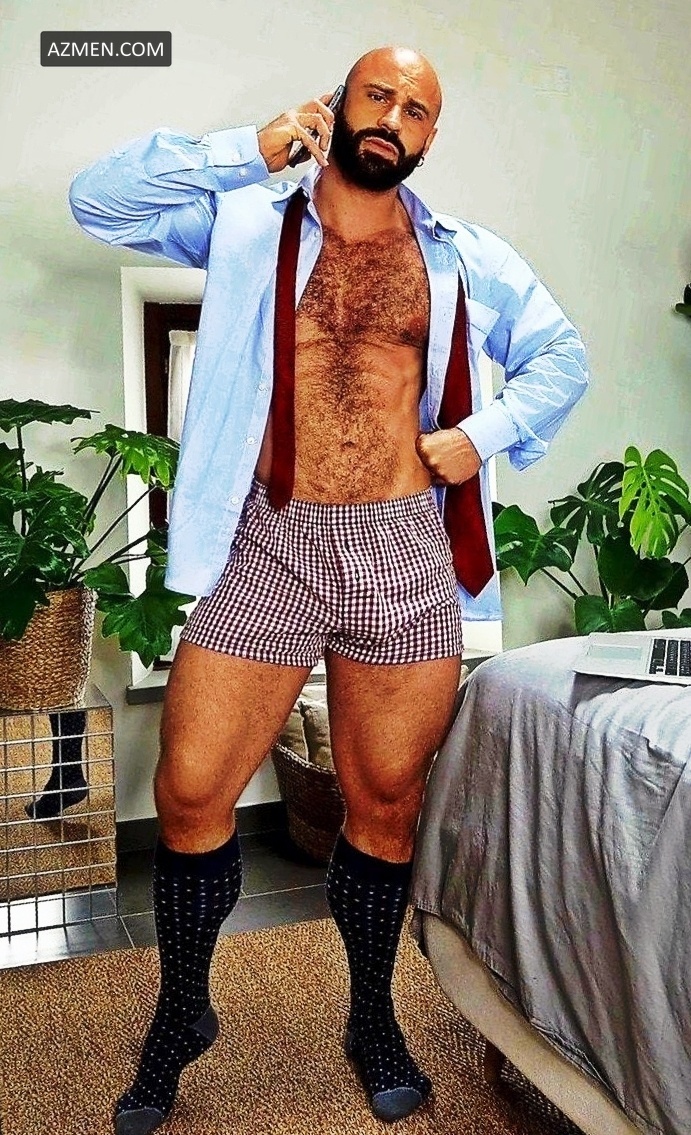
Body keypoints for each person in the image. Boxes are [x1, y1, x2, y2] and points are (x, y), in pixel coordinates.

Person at [69, 45, 588, 1134]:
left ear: (429, 137)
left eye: (418, 109)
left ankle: (370, 1014)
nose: (394, 117)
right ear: (338, 106)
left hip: (403, 552)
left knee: (384, 804)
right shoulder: (244, 220)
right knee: (190, 792)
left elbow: (559, 357)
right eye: (378, 95)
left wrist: (482, 434)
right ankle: (181, 1010)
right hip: (270, 541)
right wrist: (239, 150)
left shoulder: (462, 256)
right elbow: (98, 200)